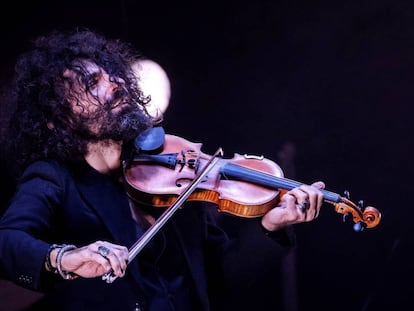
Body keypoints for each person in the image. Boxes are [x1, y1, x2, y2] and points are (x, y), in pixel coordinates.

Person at [0, 29, 325, 311]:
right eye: (90, 82)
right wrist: (64, 258)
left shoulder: (172, 176)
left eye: (111, 74)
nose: (114, 83)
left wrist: (270, 225)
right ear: (61, 118)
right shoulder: (55, 179)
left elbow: (222, 279)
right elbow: (7, 242)